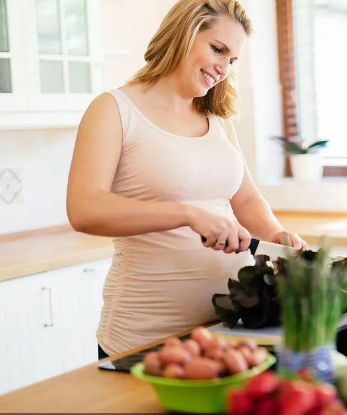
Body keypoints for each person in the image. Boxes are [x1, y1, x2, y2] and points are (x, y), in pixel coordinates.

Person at [66, 0, 307, 359]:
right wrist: (188, 214)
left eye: (232, 60)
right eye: (217, 49)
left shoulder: (218, 121)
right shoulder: (114, 109)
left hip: (227, 332)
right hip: (144, 339)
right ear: (184, 34)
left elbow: (246, 201)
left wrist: (275, 235)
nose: (223, 68)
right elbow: (84, 209)